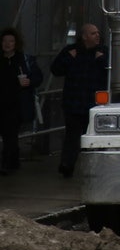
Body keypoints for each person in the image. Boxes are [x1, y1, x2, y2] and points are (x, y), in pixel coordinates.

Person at [51, 23, 109, 177]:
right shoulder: (71, 51)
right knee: (72, 135)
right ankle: (67, 165)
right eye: (93, 33)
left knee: (94, 135)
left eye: (98, 33)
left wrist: (102, 61)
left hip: (95, 103)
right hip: (74, 101)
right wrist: (69, 59)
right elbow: (55, 69)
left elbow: (113, 73)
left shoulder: (103, 52)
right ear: (84, 36)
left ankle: (96, 166)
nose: (97, 36)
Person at [1, 27, 44, 174]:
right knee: (8, 135)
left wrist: (29, 81)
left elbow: (38, 77)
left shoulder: (24, 60)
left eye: (11, 41)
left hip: (16, 105)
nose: (7, 44)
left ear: (16, 43)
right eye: (5, 41)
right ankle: (10, 162)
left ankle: (9, 163)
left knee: (10, 135)